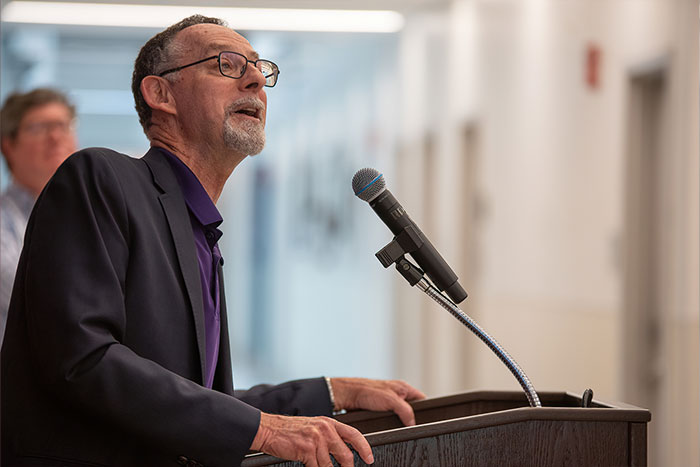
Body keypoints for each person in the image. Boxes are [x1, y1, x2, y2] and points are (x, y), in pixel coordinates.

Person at [1, 14, 425, 467]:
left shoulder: (199, 231)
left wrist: (334, 392)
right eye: (227, 64)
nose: (257, 79)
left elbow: (196, 401)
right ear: (160, 94)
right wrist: (263, 429)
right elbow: (82, 360)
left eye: (260, 68)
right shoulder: (101, 179)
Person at [0, 88, 77, 345]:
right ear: (9, 145)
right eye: (40, 128)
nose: (56, 137)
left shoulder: (93, 218)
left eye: (63, 126)